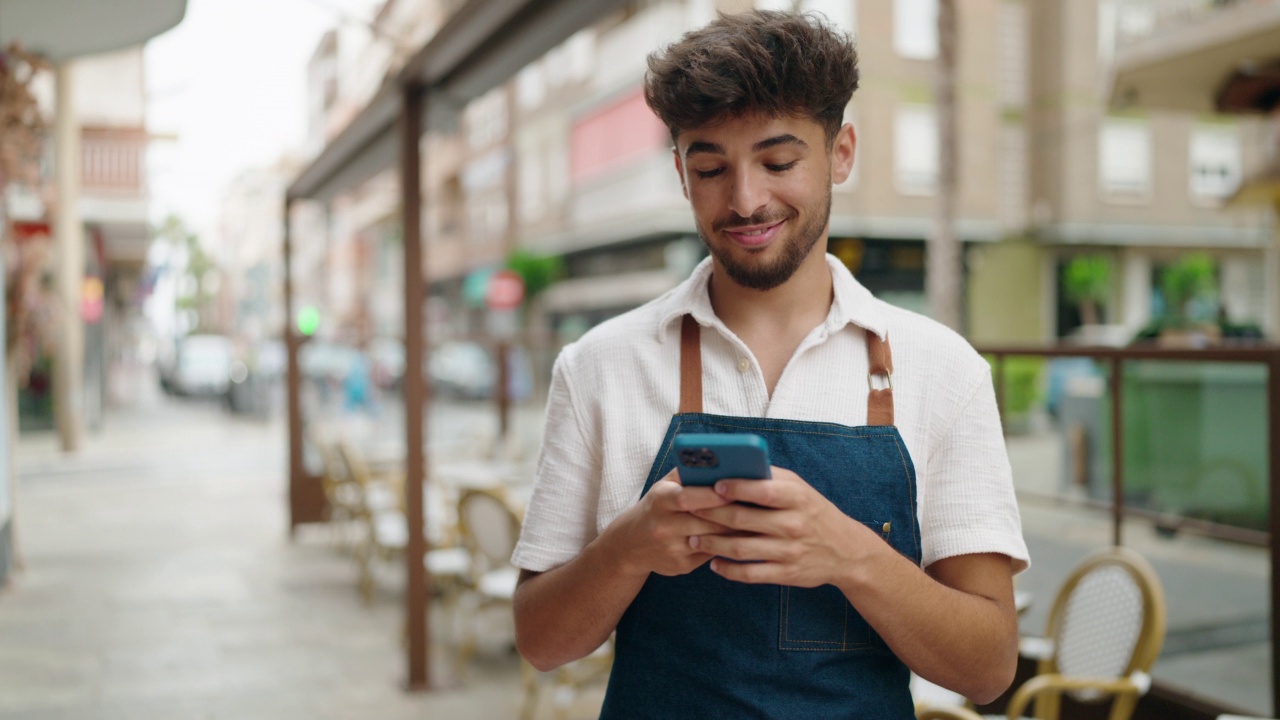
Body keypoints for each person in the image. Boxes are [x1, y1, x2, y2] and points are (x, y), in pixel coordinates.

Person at [511, 10, 1029, 718]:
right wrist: (629, 545)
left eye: (779, 162)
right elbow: (540, 641)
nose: (747, 198)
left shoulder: (944, 371)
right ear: (680, 174)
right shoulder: (599, 367)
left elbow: (990, 666)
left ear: (840, 151)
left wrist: (850, 554)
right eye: (711, 168)